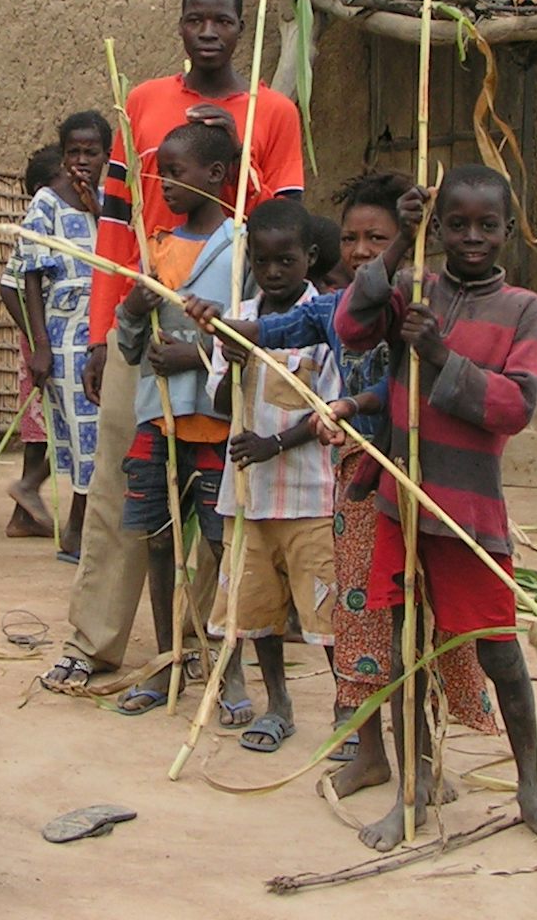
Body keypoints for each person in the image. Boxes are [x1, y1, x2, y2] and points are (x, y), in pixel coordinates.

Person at [41, 0, 305, 693]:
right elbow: (119, 229)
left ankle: (200, 650)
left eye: (222, 20)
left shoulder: (273, 113)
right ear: (182, 25)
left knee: (219, 500)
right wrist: (101, 334)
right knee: (123, 487)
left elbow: (284, 233)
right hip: (147, 322)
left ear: (241, 28)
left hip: (225, 332)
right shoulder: (145, 103)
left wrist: (237, 160)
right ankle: (94, 642)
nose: (209, 32)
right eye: (196, 19)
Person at [201, 171, 500, 792]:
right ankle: (370, 749)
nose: (362, 251)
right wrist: (224, 325)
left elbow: (425, 388)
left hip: (428, 484)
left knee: (429, 623)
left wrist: (357, 404)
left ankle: (427, 756)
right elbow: (279, 329)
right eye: (353, 238)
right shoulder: (340, 308)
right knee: (362, 620)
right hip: (360, 490)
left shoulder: (434, 304)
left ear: (412, 239)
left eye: (379, 237)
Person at [335, 165, 537, 856]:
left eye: (487, 226)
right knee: (407, 653)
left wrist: (439, 356)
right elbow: (351, 326)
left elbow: (516, 404)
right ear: (436, 228)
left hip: (469, 513)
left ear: (508, 231)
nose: (472, 238)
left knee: (500, 651)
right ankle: (413, 790)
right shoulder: (413, 283)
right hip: (402, 504)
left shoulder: (523, 308)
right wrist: (395, 246)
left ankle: (532, 790)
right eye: (456, 225)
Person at [199, 198, 342, 753]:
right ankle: (278, 704)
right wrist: (233, 361)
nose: (275, 273)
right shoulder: (238, 317)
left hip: (311, 497)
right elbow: (216, 401)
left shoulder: (327, 319)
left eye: (286, 261)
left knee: (327, 615)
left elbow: (331, 409)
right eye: (263, 262)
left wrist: (272, 444)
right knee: (255, 613)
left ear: (308, 257)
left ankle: (347, 711)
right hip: (249, 500)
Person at [111, 121, 241, 714]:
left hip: (215, 425)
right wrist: (134, 308)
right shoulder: (156, 246)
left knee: (220, 544)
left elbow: (259, 338)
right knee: (159, 542)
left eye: (175, 173)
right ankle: (166, 661)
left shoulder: (240, 249)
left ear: (215, 175)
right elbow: (131, 344)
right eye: (160, 173)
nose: (163, 184)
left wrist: (198, 353)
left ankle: (228, 670)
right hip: (158, 423)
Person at [2, 112, 112, 559]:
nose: (82, 161)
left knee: (106, 434)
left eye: (91, 152)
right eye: (74, 152)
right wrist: (40, 346)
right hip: (67, 334)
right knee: (85, 434)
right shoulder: (46, 202)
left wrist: (98, 210)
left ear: (108, 155)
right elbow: (28, 276)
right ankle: (77, 533)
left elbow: (122, 254)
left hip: (105, 329)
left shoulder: (110, 201)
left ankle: (85, 532)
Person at [0, 144, 66, 543]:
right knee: (55, 426)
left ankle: (23, 512)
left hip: (55, 338)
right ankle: (28, 494)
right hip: (47, 341)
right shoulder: (40, 224)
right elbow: (10, 287)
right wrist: (38, 340)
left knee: (46, 429)